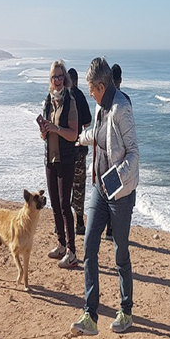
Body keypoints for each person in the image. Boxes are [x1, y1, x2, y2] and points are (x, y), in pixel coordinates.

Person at [70, 57, 139, 335]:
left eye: (90, 88)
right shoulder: (101, 106)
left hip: (119, 193)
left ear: (101, 86)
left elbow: (134, 154)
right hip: (100, 189)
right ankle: (90, 316)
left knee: (120, 253)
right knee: (89, 248)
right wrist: (77, 138)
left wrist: (113, 179)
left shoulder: (121, 108)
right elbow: (97, 136)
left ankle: (126, 310)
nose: (88, 93)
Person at [39, 60, 79, 269]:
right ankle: (61, 245)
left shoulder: (70, 101)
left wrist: (56, 128)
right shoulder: (48, 101)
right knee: (54, 203)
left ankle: (72, 252)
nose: (57, 80)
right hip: (51, 158)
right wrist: (44, 131)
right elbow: (44, 134)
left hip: (66, 159)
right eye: (54, 77)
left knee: (65, 205)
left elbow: (73, 134)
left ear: (65, 78)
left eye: (60, 76)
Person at [103, 64, 130, 240]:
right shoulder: (125, 99)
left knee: (109, 191)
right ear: (120, 79)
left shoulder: (106, 100)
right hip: (120, 153)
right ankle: (113, 229)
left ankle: (110, 229)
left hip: (108, 152)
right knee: (117, 194)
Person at [68, 68, 92, 236]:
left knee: (65, 186)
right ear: (76, 80)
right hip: (79, 148)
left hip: (65, 150)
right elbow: (88, 121)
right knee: (79, 187)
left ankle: (62, 222)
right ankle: (79, 223)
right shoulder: (80, 96)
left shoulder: (62, 96)